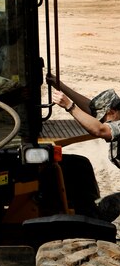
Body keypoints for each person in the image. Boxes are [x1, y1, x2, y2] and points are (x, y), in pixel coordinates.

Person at [49, 76, 120, 222]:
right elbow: (90, 107)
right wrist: (61, 86)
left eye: (103, 118)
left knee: (102, 212)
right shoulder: (114, 113)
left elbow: (99, 130)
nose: (101, 121)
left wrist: (69, 106)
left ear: (113, 112)